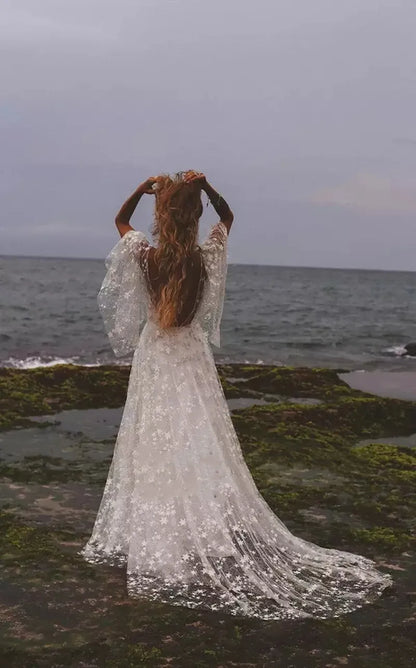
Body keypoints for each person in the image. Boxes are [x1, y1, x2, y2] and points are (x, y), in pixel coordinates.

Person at [78, 171, 393, 620]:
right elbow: (228, 215)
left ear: (162, 215)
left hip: (156, 355)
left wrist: (142, 188)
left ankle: (162, 531)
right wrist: (206, 188)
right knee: (195, 434)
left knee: (154, 436)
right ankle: (191, 525)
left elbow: (119, 220)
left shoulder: (146, 256)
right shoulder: (207, 256)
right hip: (190, 354)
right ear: (194, 216)